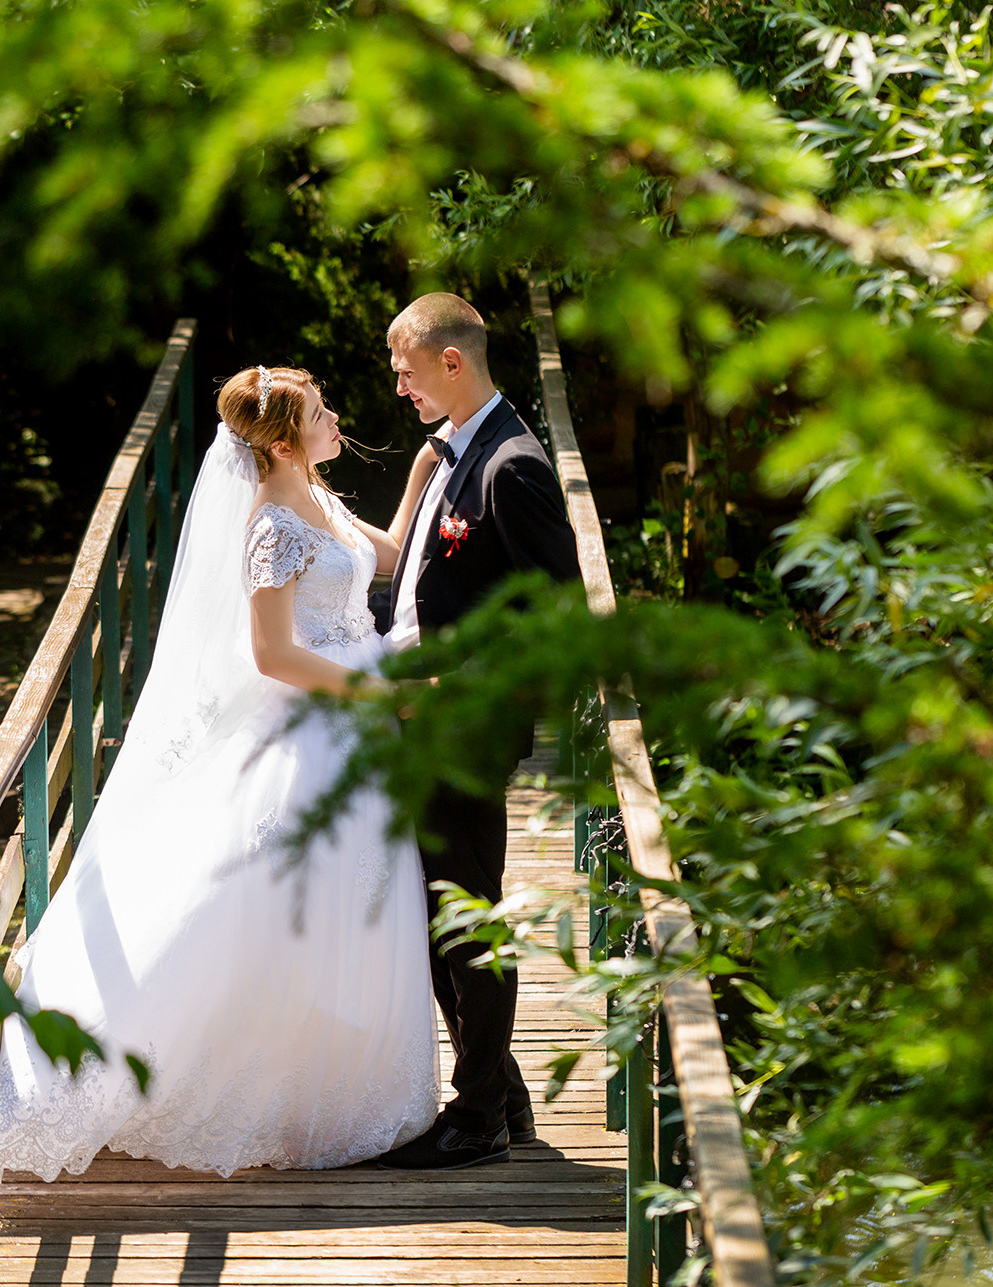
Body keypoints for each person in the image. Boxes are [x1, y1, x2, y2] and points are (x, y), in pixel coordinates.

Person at [0, 365, 445, 1237]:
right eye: (324, 415)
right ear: (283, 439)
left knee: (352, 914)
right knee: (274, 910)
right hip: (319, 728)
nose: (337, 423)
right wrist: (381, 698)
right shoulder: (273, 526)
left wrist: (421, 476)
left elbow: (390, 556)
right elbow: (275, 656)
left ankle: (320, 1091)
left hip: (361, 723)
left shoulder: (319, 495)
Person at [373, 292, 581, 1172]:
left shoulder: (513, 467)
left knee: (462, 918)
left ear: (451, 362)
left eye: (407, 372)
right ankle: (498, 1091)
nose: (400, 388)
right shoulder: (454, 453)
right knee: (431, 914)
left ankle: (479, 1117)